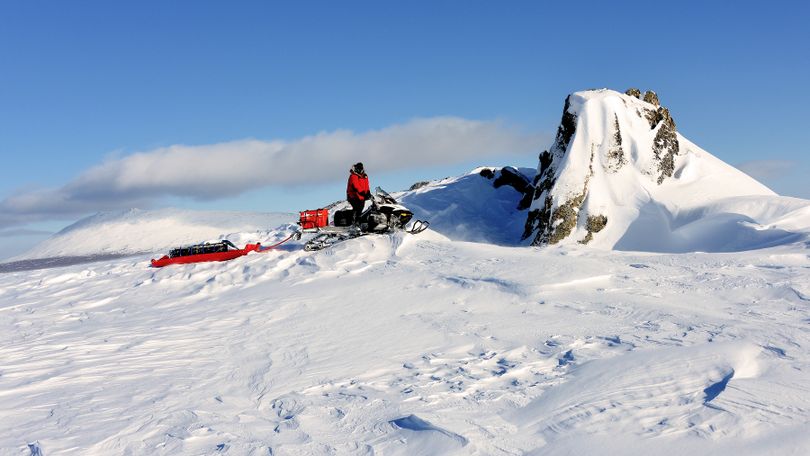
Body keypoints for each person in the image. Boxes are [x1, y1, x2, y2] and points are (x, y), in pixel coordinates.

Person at [346, 162, 371, 226]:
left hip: (362, 196)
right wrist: (362, 192)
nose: (360, 170)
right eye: (358, 169)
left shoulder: (364, 176)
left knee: (360, 209)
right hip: (353, 196)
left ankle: (358, 223)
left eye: (361, 169)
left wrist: (368, 192)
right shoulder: (353, 176)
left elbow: (367, 185)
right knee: (357, 209)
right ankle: (355, 223)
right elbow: (355, 186)